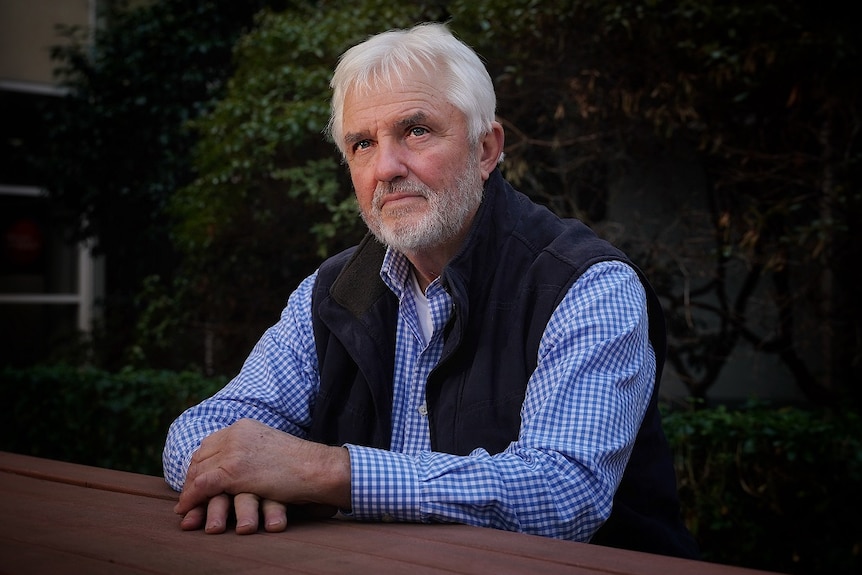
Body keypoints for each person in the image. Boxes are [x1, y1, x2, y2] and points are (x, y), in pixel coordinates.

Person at [163, 22, 699, 559]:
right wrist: (236, 475)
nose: (388, 168)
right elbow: (204, 427)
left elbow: (563, 492)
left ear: (486, 148)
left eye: (416, 131)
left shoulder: (586, 285)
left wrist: (325, 472)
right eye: (363, 144)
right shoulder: (332, 292)